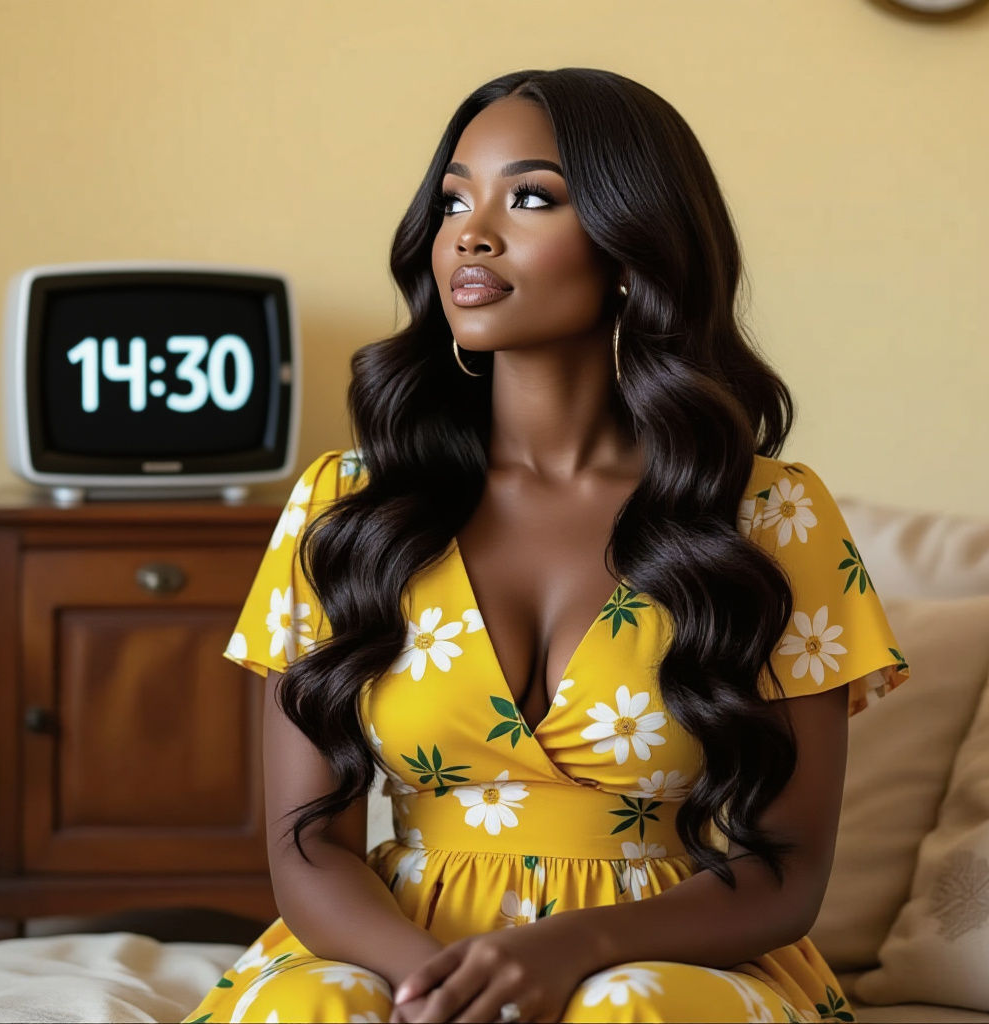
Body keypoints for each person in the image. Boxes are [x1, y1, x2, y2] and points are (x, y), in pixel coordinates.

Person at [183, 68, 908, 1024]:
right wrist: (433, 986)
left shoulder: (772, 518)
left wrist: (574, 948)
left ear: (631, 244)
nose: (471, 234)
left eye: (529, 197)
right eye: (453, 201)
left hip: (665, 958)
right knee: (310, 1008)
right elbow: (304, 845)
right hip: (392, 947)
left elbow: (790, 870)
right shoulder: (344, 505)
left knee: (626, 1012)